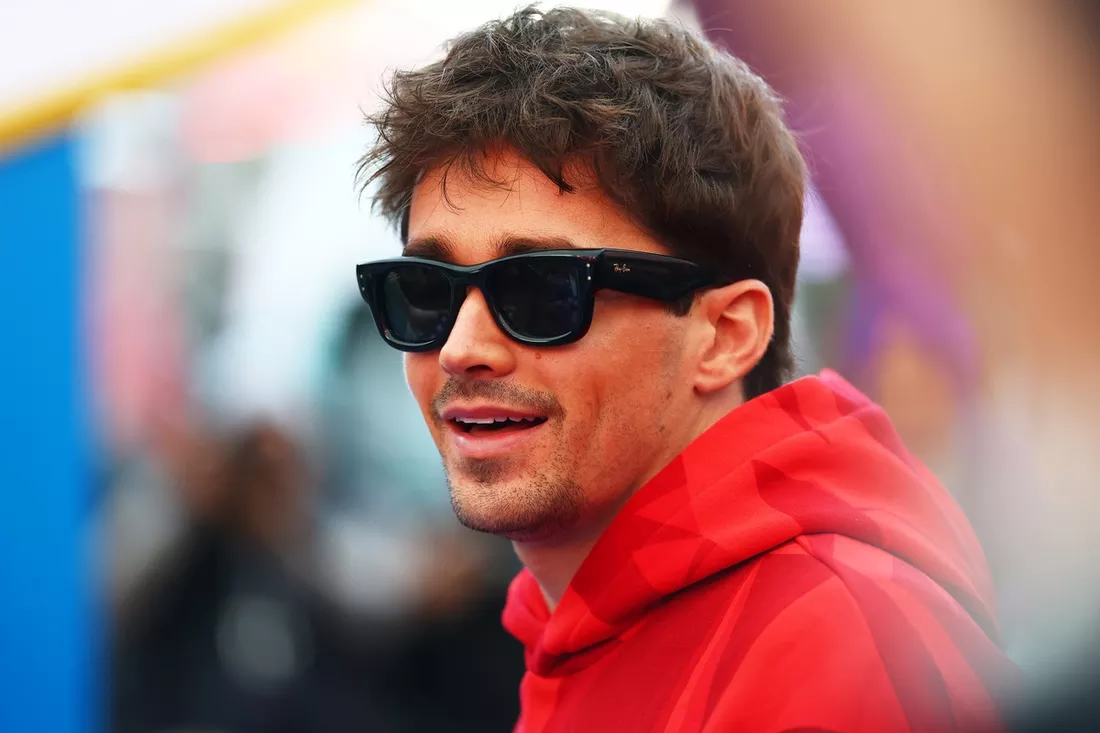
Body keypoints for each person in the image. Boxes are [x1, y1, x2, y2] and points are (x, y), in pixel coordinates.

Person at [353, 7, 1017, 731]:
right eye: (425, 292)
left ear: (727, 334)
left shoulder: (830, 645)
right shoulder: (582, 619)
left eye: (543, 290)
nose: (460, 347)